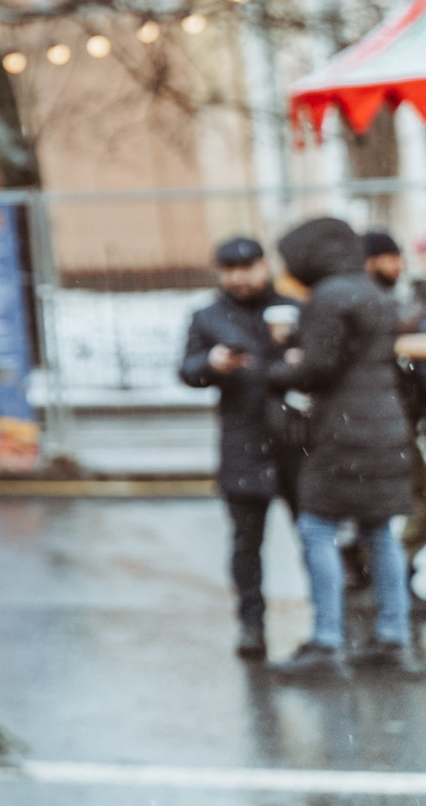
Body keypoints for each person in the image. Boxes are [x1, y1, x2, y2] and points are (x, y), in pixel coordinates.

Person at [271, 217, 418, 677]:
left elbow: (318, 368)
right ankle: (394, 638)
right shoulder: (374, 293)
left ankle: (326, 642)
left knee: (317, 529)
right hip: (387, 425)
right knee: (380, 531)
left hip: (342, 430)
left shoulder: (327, 297)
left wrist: (279, 367)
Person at [179, 235, 300, 659]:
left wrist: (294, 354)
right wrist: (212, 363)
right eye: (230, 269)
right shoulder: (208, 316)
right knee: (247, 542)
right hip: (243, 443)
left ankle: (329, 622)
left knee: (316, 534)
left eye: (246, 267)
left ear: (264, 267)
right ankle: (252, 625)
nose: (239, 277)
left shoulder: (291, 309)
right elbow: (187, 370)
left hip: (295, 442)